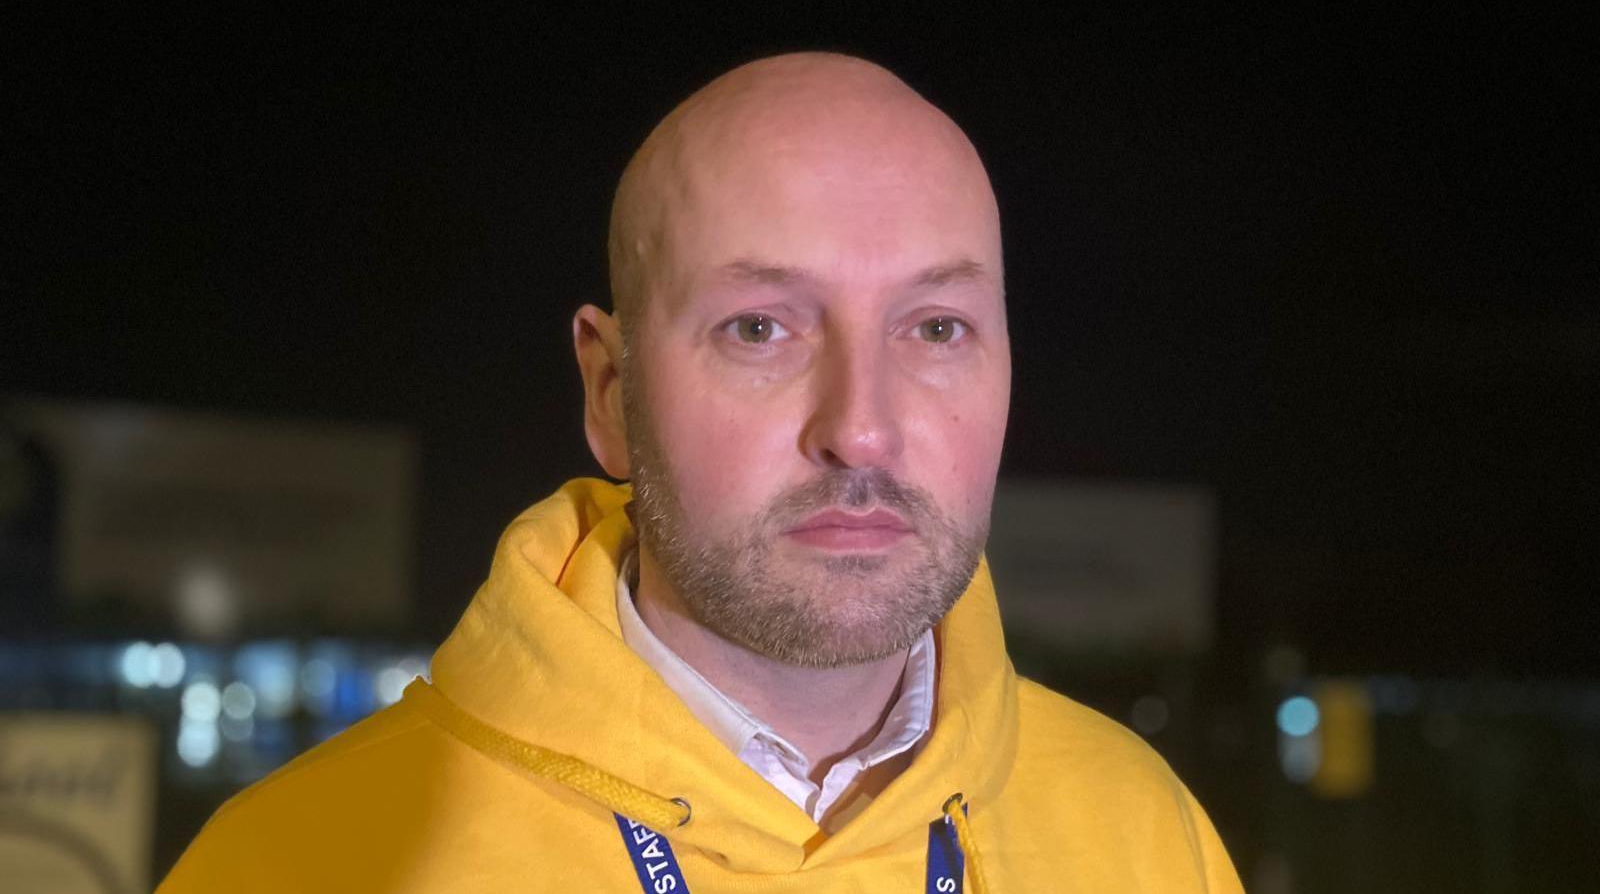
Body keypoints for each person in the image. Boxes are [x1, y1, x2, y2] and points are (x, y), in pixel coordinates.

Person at [161, 52, 1243, 893]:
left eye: (938, 327)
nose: (861, 431)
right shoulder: (306, 863)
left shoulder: (1147, 838)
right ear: (608, 391)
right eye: (760, 327)